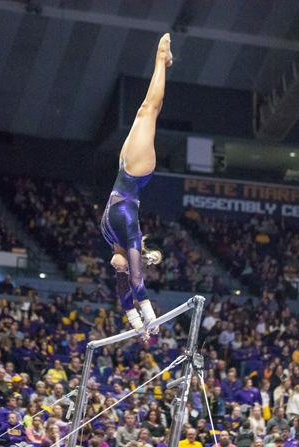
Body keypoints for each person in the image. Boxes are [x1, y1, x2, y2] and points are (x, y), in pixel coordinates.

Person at [100, 33, 172, 335]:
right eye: (124, 265)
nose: (118, 267)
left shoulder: (111, 238)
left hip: (124, 169)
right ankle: (161, 60)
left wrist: (135, 322)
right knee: (148, 111)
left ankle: (162, 60)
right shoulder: (129, 232)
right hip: (136, 174)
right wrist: (149, 320)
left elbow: (125, 291)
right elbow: (137, 283)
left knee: (145, 110)